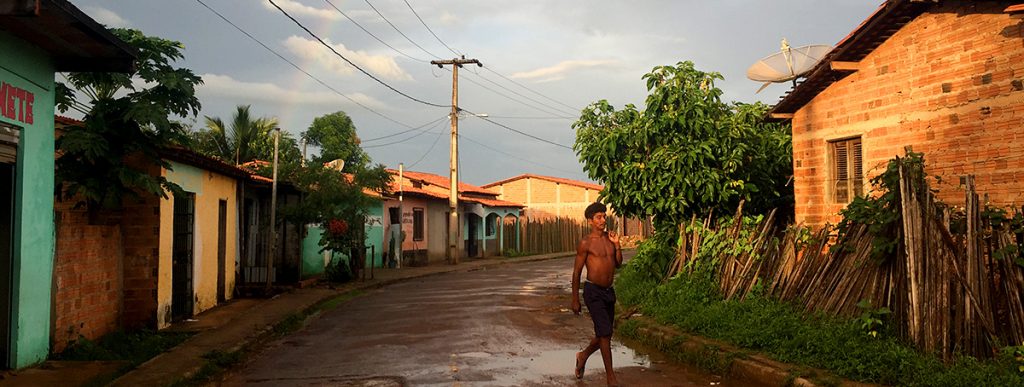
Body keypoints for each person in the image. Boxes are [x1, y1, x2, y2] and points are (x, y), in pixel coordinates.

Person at [571, 202, 623, 386]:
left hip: (609, 291)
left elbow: (618, 264)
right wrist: (575, 298)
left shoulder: (610, 239)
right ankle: (611, 378)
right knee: (605, 333)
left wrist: (617, 245)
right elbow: (577, 272)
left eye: (604, 216)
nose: (603, 219)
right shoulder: (586, 243)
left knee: (605, 334)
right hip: (593, 292)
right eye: (599, 217)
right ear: (590, 221)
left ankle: (583, 356)